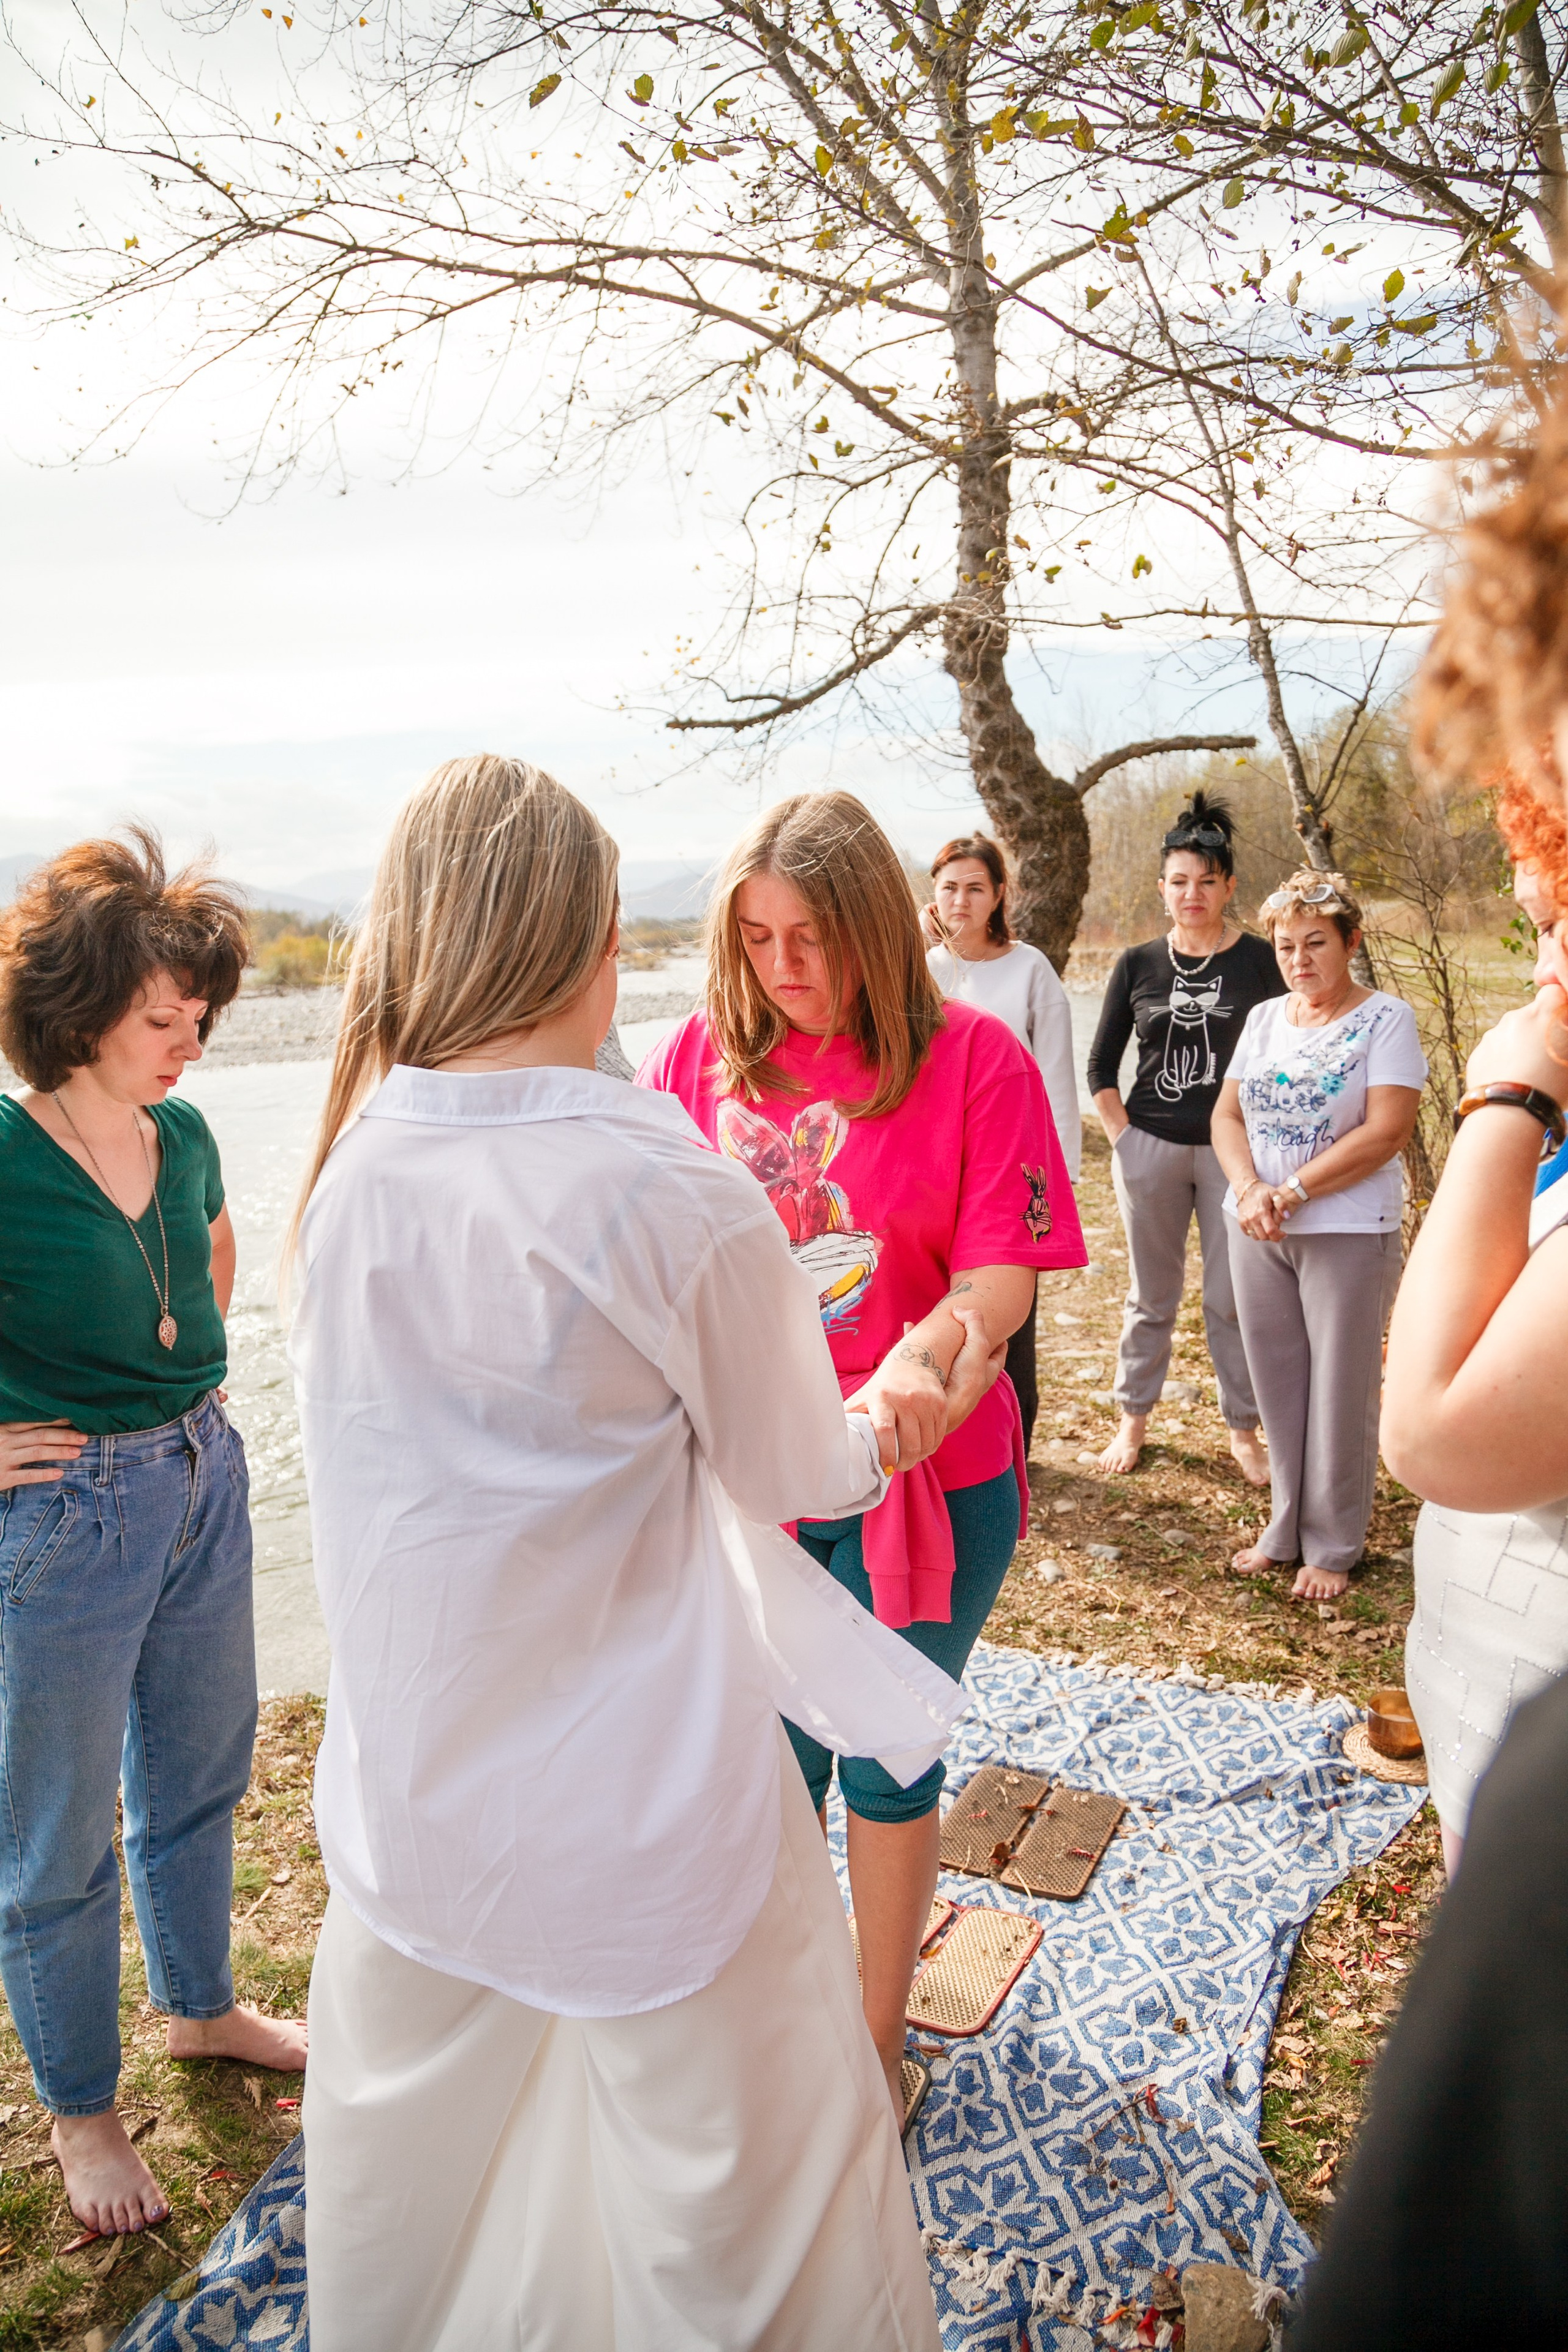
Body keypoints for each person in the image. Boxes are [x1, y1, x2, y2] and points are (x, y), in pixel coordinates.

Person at [292, 755, 993, 2351]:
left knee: (426, 2213)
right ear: (594, 943)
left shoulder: (348, 1171)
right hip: (647, 1817)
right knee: (740, 2242)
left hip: (416, 1812)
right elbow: (798, 1468)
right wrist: (901, 1391)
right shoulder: (665, 1182)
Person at [639, 790, 1084, 2124]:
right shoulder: (689, 1069)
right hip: (749, 1486)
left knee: (889, 1767)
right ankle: (775, 2023)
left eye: (813, 938)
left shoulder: (976, 1062)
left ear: (877, 934)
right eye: (756, 937)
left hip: (931, 1482)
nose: (783, 970)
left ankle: (874, 2045)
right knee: (770, 1768)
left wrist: (935, 1355)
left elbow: (1003, 1280)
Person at [0, 831, 305, 2242]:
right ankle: (82, 2109)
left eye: (201, 1019)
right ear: (74, 1010)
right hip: (62, 1517)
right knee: (59, 1835)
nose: (188, 1044)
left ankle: (198, 2010)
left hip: (202, 1480)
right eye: (160, 1019)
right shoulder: (6, 1156)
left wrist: (194, 1377)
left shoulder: (182, 1131)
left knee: (196, 1770)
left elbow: (217, 1245)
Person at [1401, 790, 1568, 1875]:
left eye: (1564, 923)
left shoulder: (1526, 1096)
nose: (1545, 969)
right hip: (1501, 1721)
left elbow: (1435, 1437)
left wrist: (1506, 1100)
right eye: (1539, 924)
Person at [1210, 871, 1425, 1604]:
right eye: (1285, 947)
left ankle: (1333, 1543)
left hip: (1342, 1227)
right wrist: (1248, 1190)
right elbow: (1226, 1118)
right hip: (1257, 1225)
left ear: (1349, 942)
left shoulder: (1385, 1019)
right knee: (1278, 1382)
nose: (1299, 960)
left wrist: (1293, 1189)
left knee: (1340, 1388)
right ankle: (1284, 1527)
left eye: (1315, 944)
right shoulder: (1266, 1018)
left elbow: (1386, 1129)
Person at [1085, 791, 1281, 1483]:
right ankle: (1132, 1419)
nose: (1191, 893)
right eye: (1178, 881)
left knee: (1232, 1297)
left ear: (1229, 886)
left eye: (1205, 880)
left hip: (1239, 1157)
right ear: (1161, 888)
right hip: (1151, 1149)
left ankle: (1243, 1430)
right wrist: (1125, 1139)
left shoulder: (1262, 962)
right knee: (1150, 1296)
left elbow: (1288, 1049)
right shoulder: (1137, 963)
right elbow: (1101, 1066)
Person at [921, 831, 1080, 1453]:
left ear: (999, 896)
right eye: (949, 887)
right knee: (937, 1314)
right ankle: (935, 1442)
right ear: (932, 895)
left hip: (1009, 1177)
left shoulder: (1029, 969)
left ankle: (1013, 1452)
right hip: (934, 1172)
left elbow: (1057, 1080)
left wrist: (1057, 1185)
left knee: (1008, 1325)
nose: (960, 900)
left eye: (974, 888)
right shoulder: (916, 969)